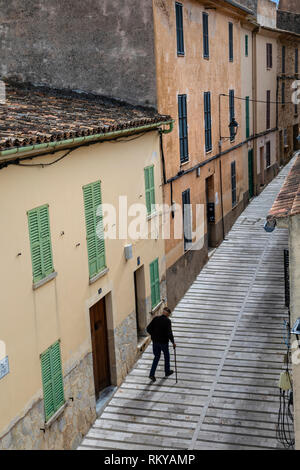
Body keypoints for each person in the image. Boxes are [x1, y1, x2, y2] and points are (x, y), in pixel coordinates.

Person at [146, 306, 176, 382]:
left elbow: (148, 329)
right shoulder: (168, 321)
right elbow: (169, 333)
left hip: (155, 342)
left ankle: (151, 374)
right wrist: (173, 342)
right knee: (166, 356)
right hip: (163, 343)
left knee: (156, 357)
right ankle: (167, 371)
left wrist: (153, 335)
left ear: (163, 312)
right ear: (168, 314)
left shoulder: (156, 318)